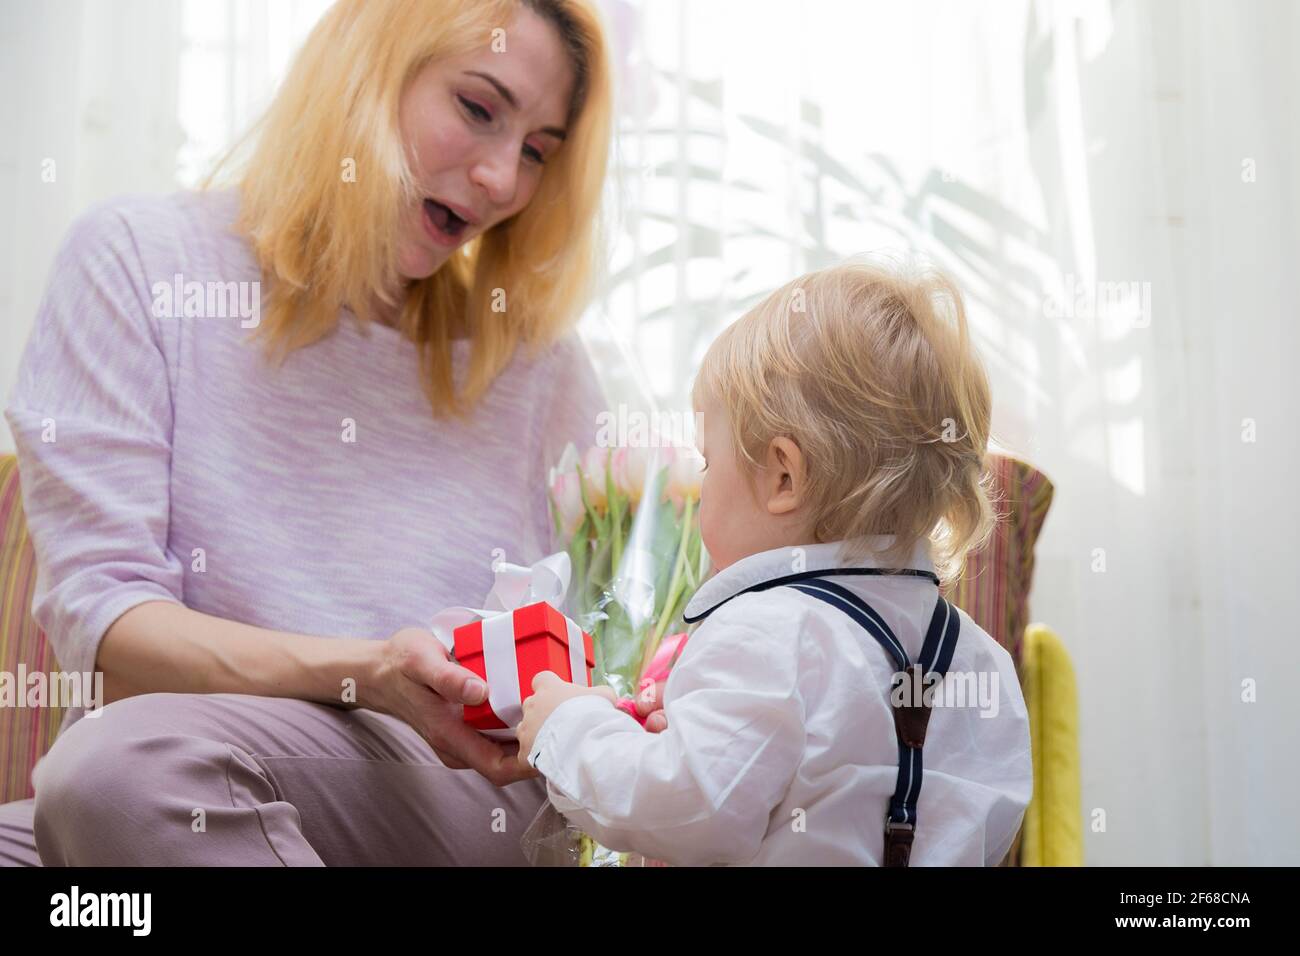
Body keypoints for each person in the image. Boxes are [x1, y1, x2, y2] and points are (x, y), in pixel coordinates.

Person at [0, 0, 639, 866]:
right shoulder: (136, 264)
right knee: (99, 790)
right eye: (478, 109)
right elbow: (110, 634)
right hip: (175, 795)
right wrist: (365, 669)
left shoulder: (539, 370)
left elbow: (601, 641)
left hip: (439, 792)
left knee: (117, 773)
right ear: (365, 70)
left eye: (536, 152)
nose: (500, 180)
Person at [516, 259, 1034, 865]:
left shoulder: (769, 630)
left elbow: (683, 807)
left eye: (709, 464)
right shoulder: (984, 663)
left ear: (784, 476)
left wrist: (565, 727)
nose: (702, 485)